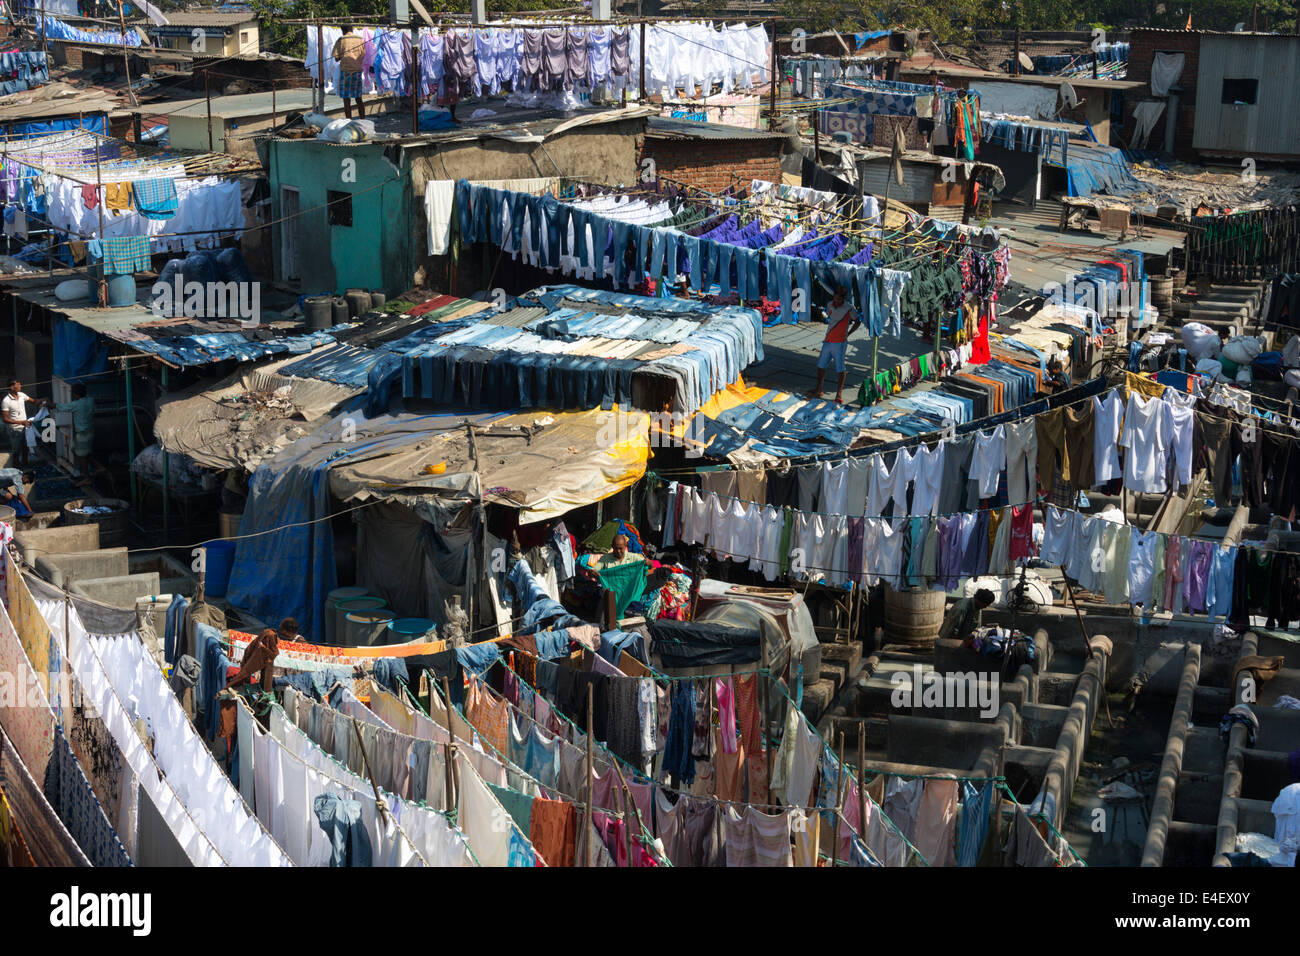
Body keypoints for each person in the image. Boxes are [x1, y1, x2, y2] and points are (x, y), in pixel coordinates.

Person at [810, 286, 861, 403]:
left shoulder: (849, 308)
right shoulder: (829, 305)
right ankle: (819, 389)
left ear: (844, 298)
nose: (837, 301)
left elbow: (857, 321)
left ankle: (839, 394)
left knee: (840, 369)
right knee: (821, 366)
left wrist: (849, 333)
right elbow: (829, 315)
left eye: (839, 299)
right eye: (836, 298)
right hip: (828, 340)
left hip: (840, 343)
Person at [2, 379, 44, 469]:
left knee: (25, 448)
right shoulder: (6, 401)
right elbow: (5, 419)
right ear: (12, 387)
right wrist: (21, 422)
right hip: (14, 429)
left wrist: (44, 401)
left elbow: (34, 402)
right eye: (18, 385)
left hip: (25, 427)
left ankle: (25, 469)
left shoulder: (21, 395)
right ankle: (15, 470)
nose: (20, 387)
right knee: (16, 451)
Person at [58, 382, 95, 483]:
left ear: (76, 394)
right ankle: (96, 468)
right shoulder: (91, 401)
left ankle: (87, 478)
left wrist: (49, 403)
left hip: (82, 434)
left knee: (81, 456)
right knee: (83, 452)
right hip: (90, 431)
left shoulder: (77, 404)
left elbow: (62, 407)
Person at [331, 26, 367, 120]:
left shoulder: (341, 40)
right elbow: (363, 54)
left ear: (343, 30)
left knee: (346, 100)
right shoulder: (360, 39)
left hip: (345, 72)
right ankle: (362, 120)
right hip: (357, 71)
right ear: (352, 29)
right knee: (358, 98)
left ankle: (349, 121)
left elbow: (336, 58)